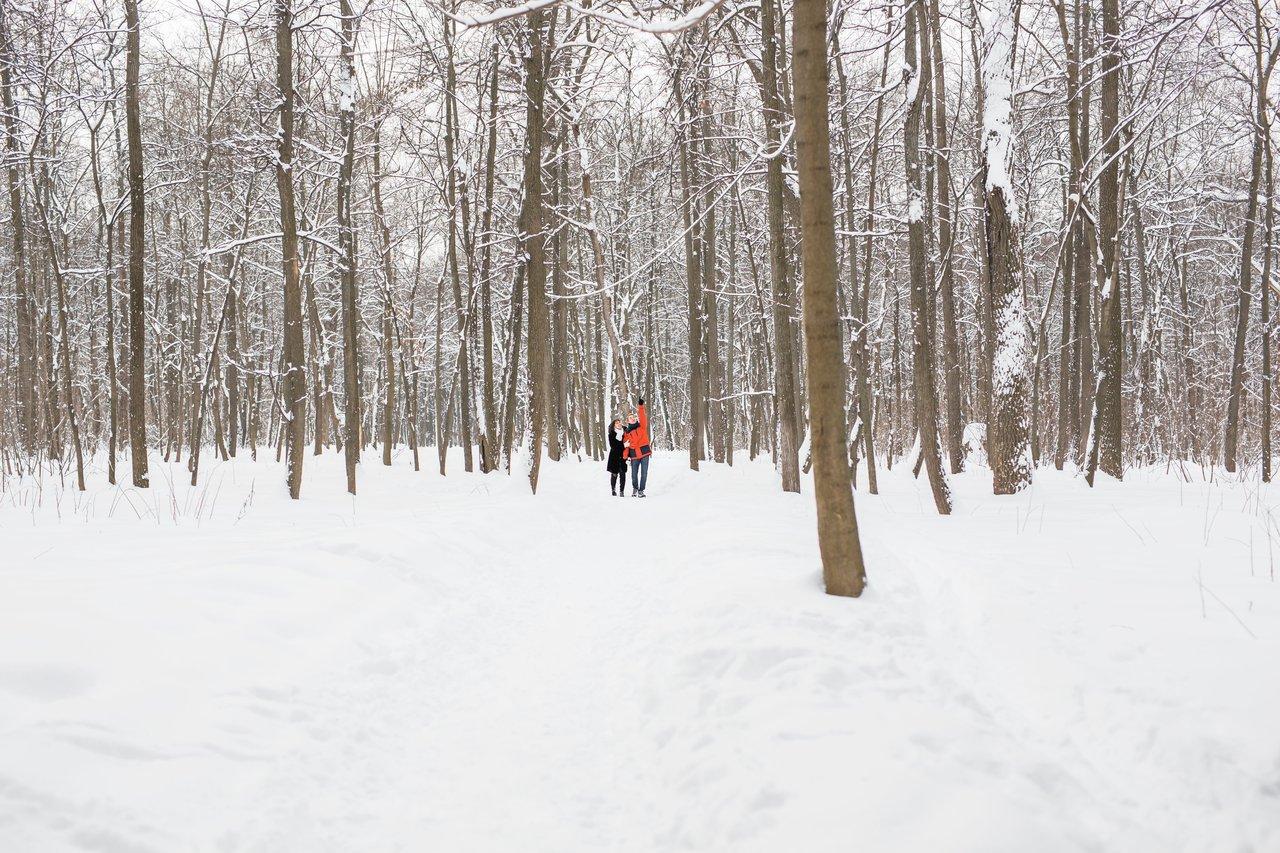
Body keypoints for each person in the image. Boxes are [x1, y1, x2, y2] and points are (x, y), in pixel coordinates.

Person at [621, 396, 651, 497]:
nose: (632, 418)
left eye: (633, 417)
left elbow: (642, 416)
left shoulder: (641, 426)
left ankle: (641, 490)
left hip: (644, 453)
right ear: (628, 421)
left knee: (644, 473)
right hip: (634, 455)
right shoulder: (626, 433)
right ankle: (635, 488)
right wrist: (625, 457)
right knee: (634, 475)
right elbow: (626, 446)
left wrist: (641, 406)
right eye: (630, 418)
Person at [606, 417, 628, 497]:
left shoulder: (625, 432)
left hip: (623, 456)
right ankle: (613, 490)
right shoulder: (611, 434)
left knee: (623, 474)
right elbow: (613, 446)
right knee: (614, 474)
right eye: (616, 423)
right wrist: (623, 445)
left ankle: (622, 491)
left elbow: (628, 442)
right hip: (614, 456)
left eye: (619, 422)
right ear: (614, 425)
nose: (619, 424)